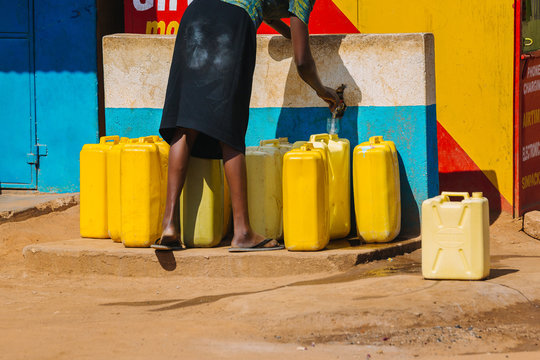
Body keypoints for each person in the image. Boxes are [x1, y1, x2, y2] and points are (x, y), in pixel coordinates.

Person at [152, 0, 340, 251]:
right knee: (228, 126)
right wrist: (323, 91)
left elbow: (269, 13)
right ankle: (242, 231)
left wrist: (288, 32)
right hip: (230, 23)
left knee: (186, 122)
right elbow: (303, 61)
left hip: (196, 14)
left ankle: (169, 224)